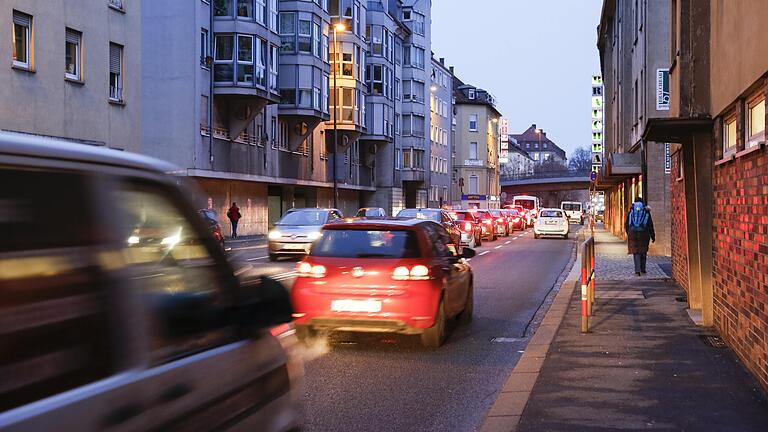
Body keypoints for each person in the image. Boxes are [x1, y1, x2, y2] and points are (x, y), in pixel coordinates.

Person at [625, 197, 655, 276]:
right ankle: (643, 269)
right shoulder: (646, 211)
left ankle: (637, 270)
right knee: (643, 250)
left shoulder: (631, 211)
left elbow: (627, 224)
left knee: (636, 252)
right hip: (644, 233)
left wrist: (629, 233)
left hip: (633, 233)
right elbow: (650, 225)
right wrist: (653, 236)